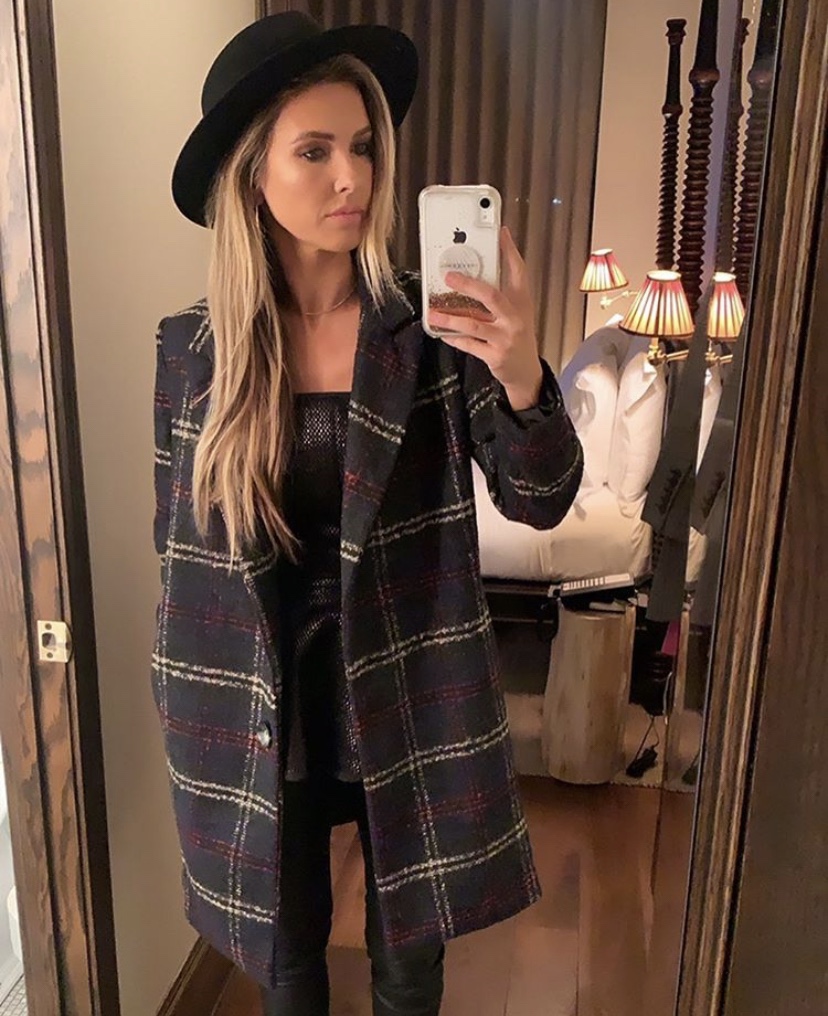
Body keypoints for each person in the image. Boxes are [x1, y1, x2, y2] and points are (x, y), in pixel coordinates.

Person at [153, 11, 583, 1016]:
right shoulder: (192, 349)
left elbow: (542, 495)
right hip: (265, 709)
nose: (352, 176)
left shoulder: (429, 330)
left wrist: (521, 367)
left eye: (363, 147)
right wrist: (183, 707)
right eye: (314, 151)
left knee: (408, 973)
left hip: (410, 693)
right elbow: (180, 560)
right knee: (286, 960)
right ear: (252, 176)